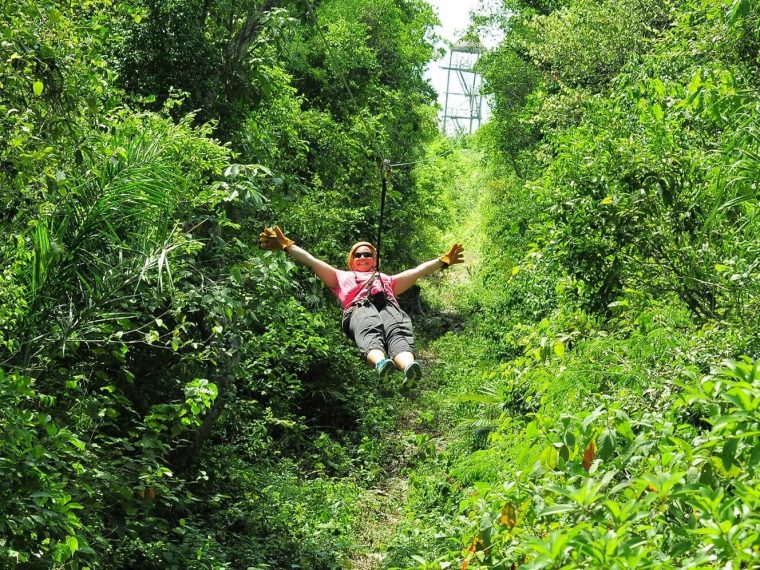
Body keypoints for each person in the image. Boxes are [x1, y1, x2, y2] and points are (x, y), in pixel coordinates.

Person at [259, 226, 464, 389]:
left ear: (374, 260)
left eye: (367, 254)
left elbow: (416, 271)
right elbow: (312, 261)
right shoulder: (341, 277)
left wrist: (442, 261)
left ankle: (409, 367)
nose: (363, 257)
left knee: (398, 331)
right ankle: (381, 362)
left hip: (388, 305)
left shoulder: (387, 280)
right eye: (358, 255)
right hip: (359, 307)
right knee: (369, 327)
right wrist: (287, 245)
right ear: (352, 261)